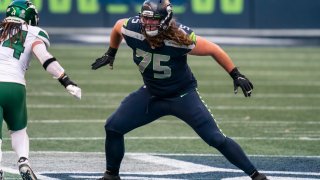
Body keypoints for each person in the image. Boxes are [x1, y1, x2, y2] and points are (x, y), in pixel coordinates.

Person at [91, 0, 268, 180]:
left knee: (215, 138)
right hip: (152, 94)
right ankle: (111, 176)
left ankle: (256, 175)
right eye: (145, 18)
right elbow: (116, 27)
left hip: (182, 96)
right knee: (113, 127)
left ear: (166, 20)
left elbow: (214, 49)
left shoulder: (179, 37)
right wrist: (110, 53)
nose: (148, 23)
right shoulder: (133, 28)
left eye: (154, 19)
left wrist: (235, 74)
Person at [0, 1, 81, 179]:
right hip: (16, 86)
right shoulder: (34, 33)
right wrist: (66, 81)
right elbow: (45, 59)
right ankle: (23, 161)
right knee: (19, 130)